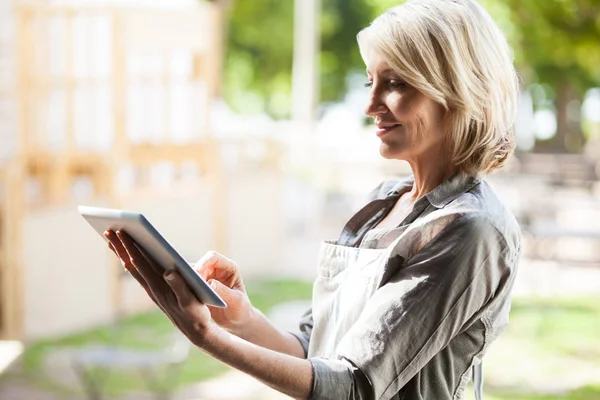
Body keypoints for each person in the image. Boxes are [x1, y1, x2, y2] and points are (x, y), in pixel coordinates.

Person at [105, 0, 521, 398]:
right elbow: (316, 353)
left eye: (394, 84)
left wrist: (207, 338)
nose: (370, 105)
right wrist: (242, 319)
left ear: (457, 89)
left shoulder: (471, 229)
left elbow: (354, 387)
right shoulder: (384, 202)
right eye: (369, 81)